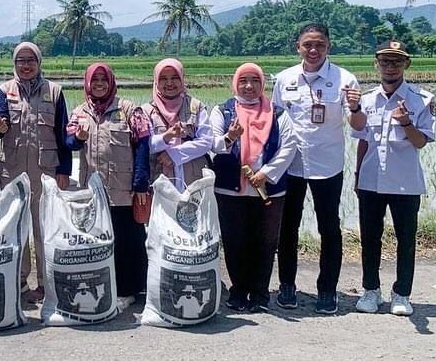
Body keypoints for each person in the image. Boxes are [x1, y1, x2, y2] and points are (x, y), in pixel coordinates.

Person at [272, 22, 363, 314]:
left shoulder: (345, 80)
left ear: (329, 47)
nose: (313, 50)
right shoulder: (285, 79)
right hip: (291, 165)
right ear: (298, 46)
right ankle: (287, 286)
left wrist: (357, 107)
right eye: (308, 44)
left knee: (329, 228)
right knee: (287, 229)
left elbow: (358, 127)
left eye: (319, 45)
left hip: (328, 166)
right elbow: (273, 123)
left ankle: (327, 290)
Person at [351, 41, 435, 317]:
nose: (390, 66)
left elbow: (421, 142)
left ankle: (401, 293)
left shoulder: (421, 99)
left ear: (406, 65)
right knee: (370, 238)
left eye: (396, 61)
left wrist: (406, 123)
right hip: (371, 179)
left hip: (405, 182)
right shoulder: (366, 99)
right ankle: (370, 290)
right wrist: (357, 174)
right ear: (377, 64)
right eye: (385, 61)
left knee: (406, 239)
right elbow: (363, 142)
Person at [210, 63, 297, 312]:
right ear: (235, 83)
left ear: (262, 84)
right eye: (244, 80)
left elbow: (288, 146)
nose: (249, 86)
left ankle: (260, 295)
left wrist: (266, 174)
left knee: (266, 241)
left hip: (268, 188)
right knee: (234, 240)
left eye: (255, 81)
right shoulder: (222, 111)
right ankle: (238, 291)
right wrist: (230, 137)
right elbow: (213, 143)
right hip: (229, 188)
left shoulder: (278, 113)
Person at [0, 41, 72, 303]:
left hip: (45, 170)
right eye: (20, 61)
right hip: (12, 169)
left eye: (30, 60)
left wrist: (64, 170)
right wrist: (0, 127)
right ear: (14, 64)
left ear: (39, 62)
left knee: (44, 226)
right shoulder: (4, 90)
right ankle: (20, 281)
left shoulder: (55, 91)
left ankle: (46, 283)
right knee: (17, 225)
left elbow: (63, 134)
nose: (25, 66)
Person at [65, 62, 147, 311]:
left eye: (103, 80)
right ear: (87, 83)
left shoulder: (128, 109)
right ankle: (105, 284)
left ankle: (129, 289)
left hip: (123, 188)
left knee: (127, 240)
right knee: (98, 241)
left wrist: (140, 182)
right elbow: (68, 142)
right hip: (93, 191)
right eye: (94, 80)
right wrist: (77, 137)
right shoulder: (79, 112)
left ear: (111, 82)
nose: (99, 84)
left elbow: (143, 145)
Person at [134, 58, 213, 192]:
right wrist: (167, 136)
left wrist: (174, 154)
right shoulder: (146, 111)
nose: (169, 83)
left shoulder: (196, 107)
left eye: (175, 77)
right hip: (159, 182)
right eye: (163, 78)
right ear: (156, 82)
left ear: (182, 79)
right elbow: (146, 146)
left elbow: (206, 142)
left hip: (194, 183)